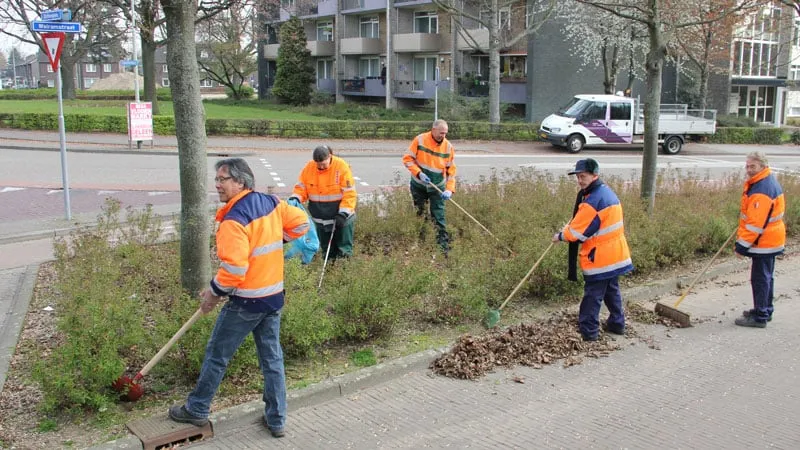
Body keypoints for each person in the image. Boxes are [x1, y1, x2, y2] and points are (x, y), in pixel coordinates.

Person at [168, 158, 310, 438]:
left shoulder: (234, 220)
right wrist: (278, 240)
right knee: (272, 360)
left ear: (241, 182)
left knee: (217, 355)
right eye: (217, 179)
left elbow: (234, 269)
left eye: (223, 179)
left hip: (246, 302)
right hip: (272, 298)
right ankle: (277, 418)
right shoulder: (270, 203)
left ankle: (197, 408)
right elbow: (302, 223)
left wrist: (212, 293)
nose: (217, 184)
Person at [552, 158, 633, 341]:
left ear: (595, 175)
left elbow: (577, 233)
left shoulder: (593, 200)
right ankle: (617, 324)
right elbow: (585, 223)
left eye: (583, 176)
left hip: (600, 258)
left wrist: (560, 236)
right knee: (612, 291)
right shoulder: (605, 192)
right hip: (616, 254)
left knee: (593, 296)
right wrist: (572, 226)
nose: (580, 180)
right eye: (578, 177)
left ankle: (589, 332)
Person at [734, 152, 785, 328]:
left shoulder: (762, 189)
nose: (749, 170)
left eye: (752, 166)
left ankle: (760, 316)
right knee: (766, 277)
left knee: (760, 278)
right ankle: (765, 309)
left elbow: (756, 225)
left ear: (762, 166)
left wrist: (741, 246)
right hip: (770, 239)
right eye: (747, 166)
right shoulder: (763, 181)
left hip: (765, 242)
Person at [291, 145, 357, 260]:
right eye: (318, 164)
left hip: (341, 218)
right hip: (321, 219)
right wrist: (296, 198)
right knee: (326, 249)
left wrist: (343, 213)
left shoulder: (341, 167)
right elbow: (301, 187)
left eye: (323, 164)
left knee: (344, 250)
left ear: (330, 157)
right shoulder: (309, 168)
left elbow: (349, 193)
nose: (321, 167)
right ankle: (330, 273)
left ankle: (343, 274)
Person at [403, 119, 457, 253]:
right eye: (441, 133)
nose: (443, 136)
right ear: (433, 130)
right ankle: (422, 242)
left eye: (445, 133)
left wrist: (449, 190)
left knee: (438, 216)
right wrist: (419, 173)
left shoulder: (448, 147)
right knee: (420, 213)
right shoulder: (420, 140)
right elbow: (407, 159)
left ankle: (442, 246)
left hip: (437, 188)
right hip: (419, 185)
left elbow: (451, 171)